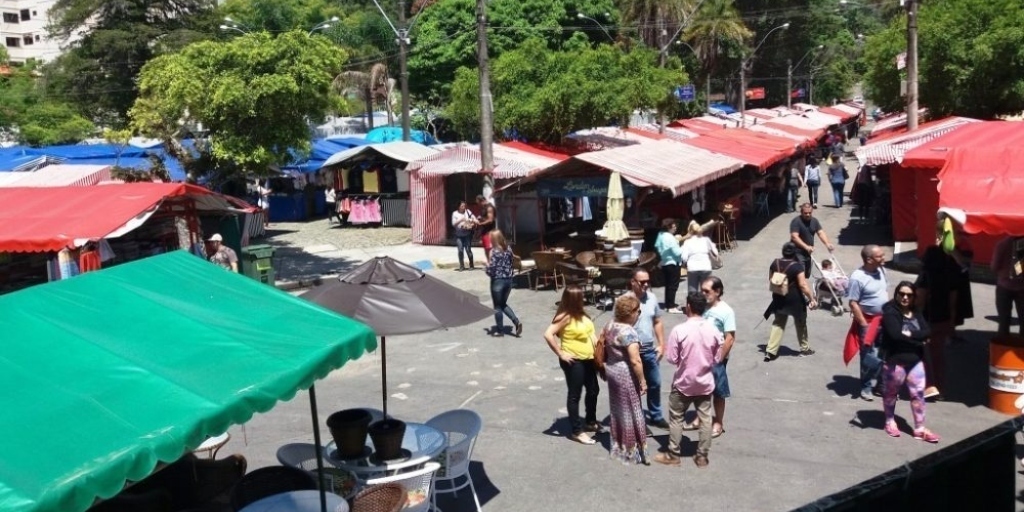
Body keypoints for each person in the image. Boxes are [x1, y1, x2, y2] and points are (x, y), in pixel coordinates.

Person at [653, 292, 722, 468]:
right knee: (706, 419)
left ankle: (673, 454)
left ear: (689, 307)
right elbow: (717, 358)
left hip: (683, 383)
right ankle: (701, 456)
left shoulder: (679, 330)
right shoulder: (714, 330)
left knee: (676, 418)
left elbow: (672, 358)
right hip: (705, 383)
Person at [915, 219, 972, 398]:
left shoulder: (931, 261)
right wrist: (951, 323)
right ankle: (938, 387)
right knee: (938, 354)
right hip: (943, 315)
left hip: (928, 315)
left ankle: (928, 385)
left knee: (920, 352)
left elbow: (922, 293)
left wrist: (913, 315)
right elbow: (954, 297)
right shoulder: (955, 266)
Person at [879, 281, 940, 443]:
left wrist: (909, 334)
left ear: (914, 297)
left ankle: (919, 428)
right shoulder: (890, 312)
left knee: (918, 395)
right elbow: (895, 335)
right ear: (896, 294)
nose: (905, 297)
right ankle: (889, 421)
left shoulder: (916, 312)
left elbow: (927, 331)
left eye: (909, 295)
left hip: (915, 361)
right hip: (895, 362)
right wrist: (919, 340)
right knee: (891, 394)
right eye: (902, 294)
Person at [544, 286, 600, 445]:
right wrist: (561, 353)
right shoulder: (565, 316)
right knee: (575, 395)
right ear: (573, 299)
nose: (583, 298)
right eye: (580, 297)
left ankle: (590, 421)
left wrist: (600, 348)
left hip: (589, 359)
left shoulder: (583, 314)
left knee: (593, 390)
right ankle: (577, 431)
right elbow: (548, 334)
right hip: (574, 361)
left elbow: (591, 334)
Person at [597, 294, 649, 464]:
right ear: (629, 313)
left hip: (612, 372)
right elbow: (635, 360)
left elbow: (601, 342)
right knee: (633, 411)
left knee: (618, 410)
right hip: (626, 375)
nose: (639, 315)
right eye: (638, 311)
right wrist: (642, 381)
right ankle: (634, 450)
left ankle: (620, 447)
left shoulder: (610, 325)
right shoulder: (628, 332)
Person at [626, 268, 668, 429]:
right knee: (635, 388)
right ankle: (638, 422)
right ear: (633, 282)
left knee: (655, 383)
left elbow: (657, 321)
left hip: (649, 350)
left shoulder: (652, 298)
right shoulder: (624, 300)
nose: (646, 285)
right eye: (642, 282)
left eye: (647, 281)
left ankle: (656, 416)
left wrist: (662, 344)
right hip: (631, 352)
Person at [845, 244, 889, 401]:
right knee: (869, 356)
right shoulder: (857, 277)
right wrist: (864, 324)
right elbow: (853, 303)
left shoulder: (882, 270)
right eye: (880, 256)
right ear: (869, 259)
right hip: (868, 322)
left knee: (885, 353)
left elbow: (884, 292)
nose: (883, 258)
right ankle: (866, 387)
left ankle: (882, 386)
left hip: (884, 320)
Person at [763, 242, 817, 362]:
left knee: (778, 323)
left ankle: (770, 351)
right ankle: (804, 348)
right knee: (801, 322)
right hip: (795, 299)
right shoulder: (797, 266)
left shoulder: (775, 262)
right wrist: (812, 298)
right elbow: (803, 285)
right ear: (794, 253)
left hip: (779, 297)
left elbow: (770, 279)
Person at [695, 276, 734, 439]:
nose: (703, 294)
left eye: (706, 291)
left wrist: (719, 359)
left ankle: (718, 422)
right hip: (699, 356)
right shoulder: (701, 307)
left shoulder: (726, 311)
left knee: (718, 391)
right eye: (701, 290)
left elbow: (730, 338)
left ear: (717, 291)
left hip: (716, 358)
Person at [484, 229, 522, 338]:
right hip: (509, 280)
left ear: (494, 239)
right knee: (502, 304)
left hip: (497, 281)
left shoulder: (494, 251)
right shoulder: (509, 249)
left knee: (497, 306)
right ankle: (516, 321)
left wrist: (486, 264)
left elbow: (490, 270)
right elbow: (511, 262)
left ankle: (500, 331)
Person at [790, 203, 835, 278]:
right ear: (801, 212)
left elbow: (820, 233)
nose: (808, 215)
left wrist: (827, 244)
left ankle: (801, 287)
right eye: (805, 213)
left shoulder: (814, 221)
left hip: (808, 253)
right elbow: (794, 237)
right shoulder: (796, 221)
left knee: (807, 274)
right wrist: (806, 247)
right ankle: (799, 288)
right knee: (800, 275)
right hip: (798, 252)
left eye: (809, 213)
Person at [991, 236, 1024, 337]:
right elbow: (1019, 270)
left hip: (1004, 285)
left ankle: (1002, 349)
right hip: (1022, 287)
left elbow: (994, 266)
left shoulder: (1002, 244)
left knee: (1004, 322)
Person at [681, 220, 718, 296]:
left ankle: (693, 306)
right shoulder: (706, 240)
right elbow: (715, 252)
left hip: (693, 268)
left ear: (690, 231)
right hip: (705, 267)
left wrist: (684, 264)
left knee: (692, 291)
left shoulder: (687, 242)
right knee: (706, 290)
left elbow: (684, 258)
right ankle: (705, 306)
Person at [654, 218, 683, 312]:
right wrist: (681, 245)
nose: (675, 228)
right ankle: (671, 306)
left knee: (668, 285)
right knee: (673, 286)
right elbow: (677, 252)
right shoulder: (671, 238)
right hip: (673, 263)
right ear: (669, 227)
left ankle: (668, 304)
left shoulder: (660, 235)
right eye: (673, 227)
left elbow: (657, 246)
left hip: (664, 262)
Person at [451, 201, 477, 271]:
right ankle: (461, 266)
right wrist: (461, 220)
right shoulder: (455, 213)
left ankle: (471, 265)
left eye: (464, 206)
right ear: (458, 207)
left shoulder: (468, 211)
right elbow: (453, 224)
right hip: (458, 235)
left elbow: (475, 219)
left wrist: (471, 221)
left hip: (467, 234)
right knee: (460, 250)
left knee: (468, 250)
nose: (463, 207)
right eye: (462, 206)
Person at [476, 195, 497, 265]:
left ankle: (492, 263)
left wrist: (480, 224)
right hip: (484, 231)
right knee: (486, 248)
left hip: (489, 231)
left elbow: (490, 220)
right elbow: (485, 218)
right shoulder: (484, 208)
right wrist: (480, 218)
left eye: (478, 203)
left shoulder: (489, 208)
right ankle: (489, 262)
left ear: (482, 201)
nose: (478, 205)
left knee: (489, 248)